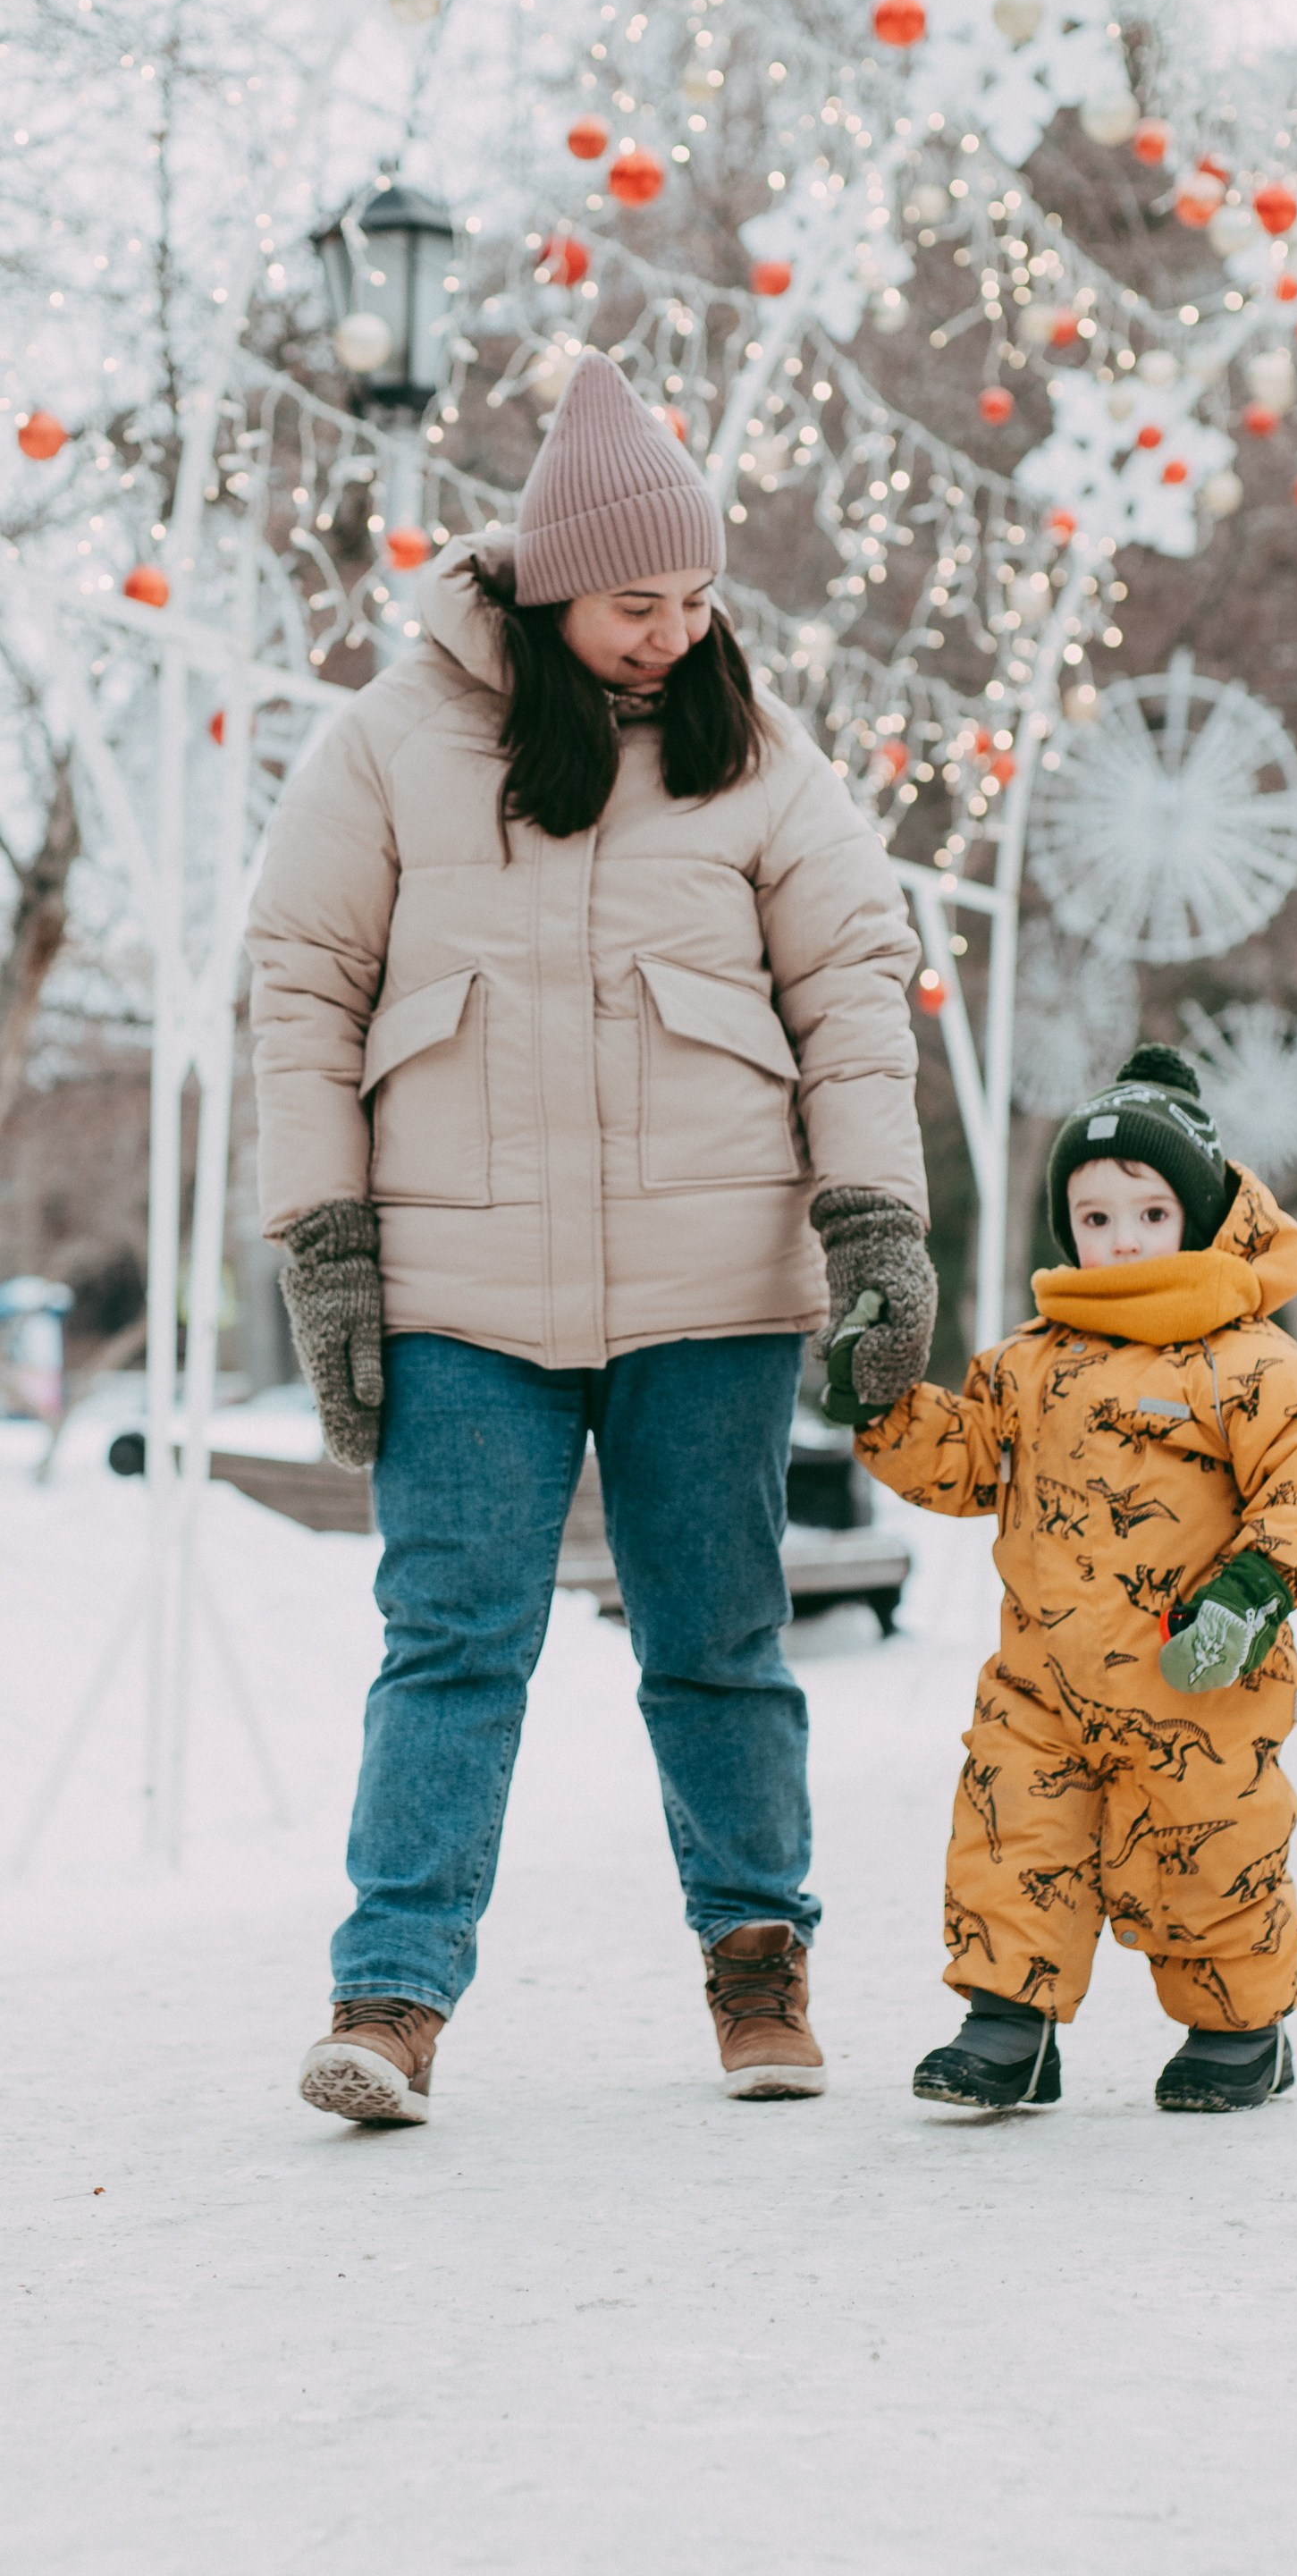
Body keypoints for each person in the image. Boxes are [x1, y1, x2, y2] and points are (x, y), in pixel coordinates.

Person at [247, 353, 935, 2120]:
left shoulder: (758, 756)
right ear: (549, 588)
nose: (671, 633)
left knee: (716, 1637)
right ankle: (389, 1997)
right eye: (639, 603)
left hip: (709, 1286)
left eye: (697, 601)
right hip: (462, 1286)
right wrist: (324, 1239)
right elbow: (304, 990)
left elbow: (854, 990)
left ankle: (755, 1961)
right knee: (453, 1637)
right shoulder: (394, 740)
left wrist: (875, 1220)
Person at [824, 1043, 1297, 2114]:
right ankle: (1006, 2028)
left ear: (1199, 1220)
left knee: (1210, 1857)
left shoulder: (1244, 1360)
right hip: (1042, 1686)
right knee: (1007, 1837)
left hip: (1199, 1678)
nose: (1120, 1242)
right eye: (1094, 1217)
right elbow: (968, 1461)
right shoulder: (1032, 1358)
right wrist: (883, 1406)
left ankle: (1236, 2030)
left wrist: (1255, 1587)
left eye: (1150, 1215)